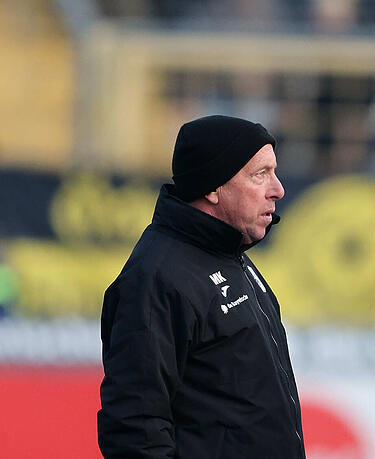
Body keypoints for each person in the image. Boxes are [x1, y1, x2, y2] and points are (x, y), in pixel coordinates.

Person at [98, 115, 305, 458]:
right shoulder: (156, 277)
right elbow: (134, 427)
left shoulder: (229, 252)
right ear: (212, 187)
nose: (278, 189)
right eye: (260, 174)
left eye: (275, 172)